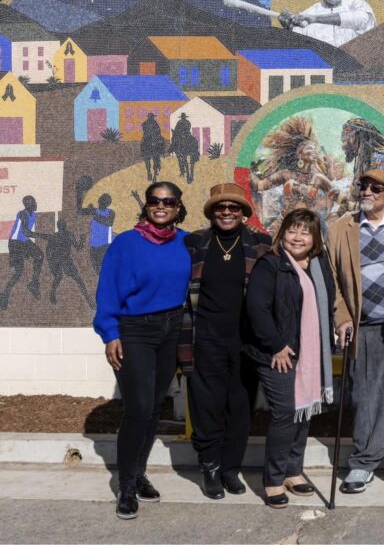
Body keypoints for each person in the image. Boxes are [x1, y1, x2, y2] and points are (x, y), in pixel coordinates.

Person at [93, 182, 190, 520]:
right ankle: (127, 485)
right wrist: (110, 333)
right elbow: (107, 291)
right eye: (155, 201)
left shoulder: (185, 242)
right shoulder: (125, 243)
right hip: (135, 330)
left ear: (178, 207)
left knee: (153, 408)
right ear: (146, 205)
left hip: (171, 328)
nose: (161, 206)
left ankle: (139, 471)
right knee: (137, 408)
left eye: (169, 201)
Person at [326, 169, 384, 494]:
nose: (367, 191)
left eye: (376, 187)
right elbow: (334, 281)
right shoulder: (341, 229)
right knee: (366, 398)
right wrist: (342, 318)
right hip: (364, 326)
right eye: (362, 185)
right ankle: (364, 462)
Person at [184, 183, 271, 500]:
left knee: (240, 407)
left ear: (244, 213)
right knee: (207, 406)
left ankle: (230, 469)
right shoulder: (195, 243)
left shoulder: (261, 245)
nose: (227, 212)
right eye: (220, 207)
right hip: (205, 337)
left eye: (234, 207)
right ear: (211, 212)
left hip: (246, 341)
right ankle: (209, 467)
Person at [243, 208, 336, 508]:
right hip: (278, 354)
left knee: (304, 411)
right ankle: (272, 479)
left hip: (309, 353)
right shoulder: (271, 265)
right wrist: (276, 345)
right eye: (292, 230)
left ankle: (293, 471)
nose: (298, 237)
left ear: (315, 239)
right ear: (282, 233)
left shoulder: (319, 267)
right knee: (285, 413)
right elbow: (257, 309)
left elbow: (331, 303)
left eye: (305, 232)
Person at [0, 195, 43, 309]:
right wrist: (44, 236)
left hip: (24, 242)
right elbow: (25, 232)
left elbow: (25, 234)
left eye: (34, 201)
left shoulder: (34, 214)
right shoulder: (23, 214)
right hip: (15, 244)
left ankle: (34, 284)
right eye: (33, 202)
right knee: (19, 272)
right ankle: (4, 295)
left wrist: (28, 251)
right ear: (27, 205)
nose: (35, 203)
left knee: (39, 256)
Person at [80, 193, 115, 275]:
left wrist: (94, 213)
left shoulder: (111, 212)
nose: (102, 203)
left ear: (108, 204)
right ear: (98, 200)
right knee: (97, 270)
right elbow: (80, 211)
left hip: (105, 245)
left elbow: (108, 222)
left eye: (105, 202)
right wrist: (80, 194)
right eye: (101, 200)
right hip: (94, 246)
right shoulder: (94, 210)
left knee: (106, 268)